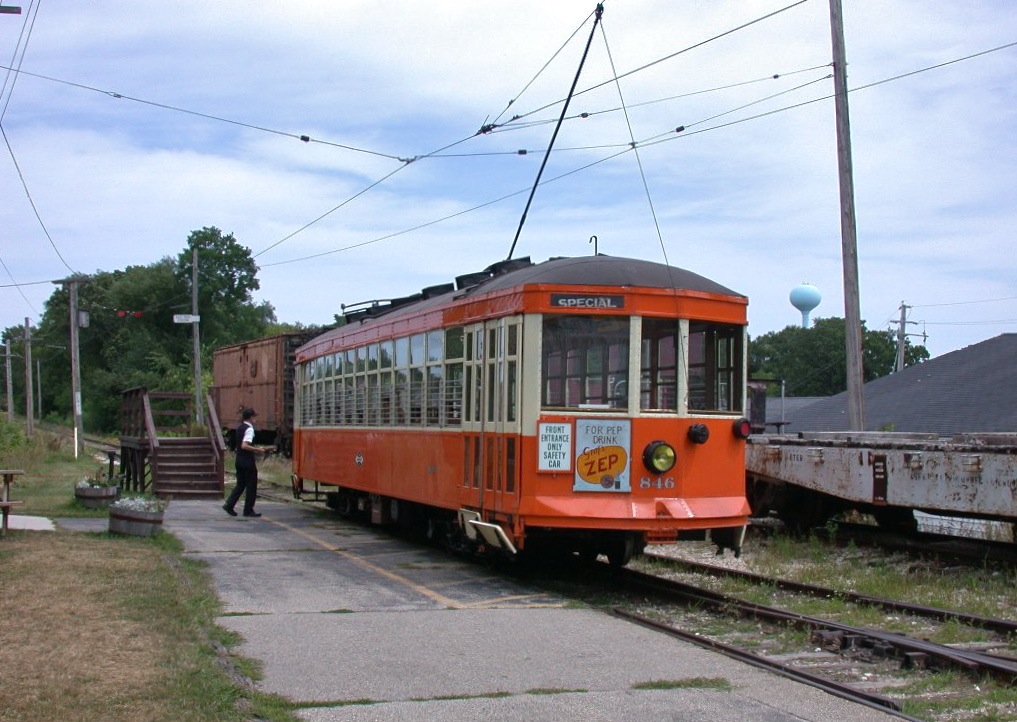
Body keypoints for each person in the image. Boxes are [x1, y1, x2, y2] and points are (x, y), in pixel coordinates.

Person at [223, 407, 270, 518]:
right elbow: (244, 445)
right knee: (251, 485)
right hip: (247, 461)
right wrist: (258, 450)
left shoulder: (240, 428)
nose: (255, 419)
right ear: (251, 417)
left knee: (240, 484)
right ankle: (248, 510)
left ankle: (229, 505)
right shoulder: (249, 429)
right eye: (254, 417)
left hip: (239, 460)